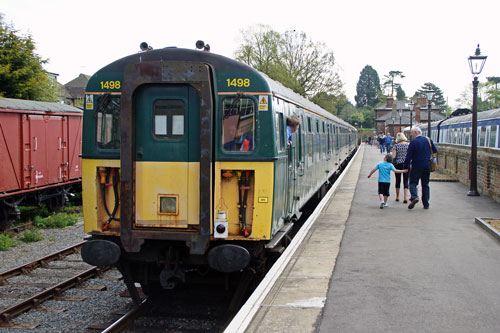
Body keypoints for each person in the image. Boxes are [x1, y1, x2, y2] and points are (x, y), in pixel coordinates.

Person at [403, 127, 438, 209]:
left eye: (412, 133)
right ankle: (426, 204)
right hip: (427, 165)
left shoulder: (414, 142)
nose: (411, 135)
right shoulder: (428, 140)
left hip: (416, 165)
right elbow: (435, 150)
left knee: (413, 182)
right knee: (425, 184)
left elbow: (408, 156)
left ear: (415, 132)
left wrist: (406, 166)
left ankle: (414, 196)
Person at [392, 132, 410, 203]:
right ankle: (405, 197)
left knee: (398, 180)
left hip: (398, 165)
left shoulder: (396, 146)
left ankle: (397, 196)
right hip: (406, 164)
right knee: (406, 180)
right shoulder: (408, 145)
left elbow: (393, 157)